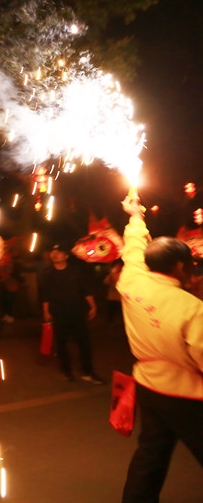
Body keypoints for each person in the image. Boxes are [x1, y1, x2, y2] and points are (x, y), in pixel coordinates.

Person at [117, 192, 203, 501]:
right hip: (187, 396)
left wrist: (135, 217)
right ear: (180, 266)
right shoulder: (191, 308)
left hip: (148, 387)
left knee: (150, 455)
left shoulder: (131, 280)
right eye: (191, 264)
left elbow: (133, 249)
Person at [39, 243, 103, 383]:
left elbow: (85, 290)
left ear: (66, 256)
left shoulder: (75, 271)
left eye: (59, 252)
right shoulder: (47, 273)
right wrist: (46, 311)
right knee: (61, 343)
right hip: (58, 312)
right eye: (53, 252)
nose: (55, 255)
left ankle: (87, 372)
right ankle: (66, 370)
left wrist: (92, 306)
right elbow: (45, 294)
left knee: (84, 342)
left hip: (77, 311)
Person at [103, 259, 123, 325]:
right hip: (112, 297)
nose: (117, 267)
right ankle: (110, 324)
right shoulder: (112, 274)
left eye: (118, 265)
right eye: (116, 265)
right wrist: (111, 275)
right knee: (111, 313)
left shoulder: (123, 274)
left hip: (120, 298)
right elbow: (106, 282)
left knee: (120, 313)